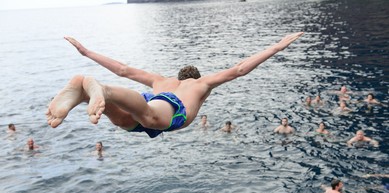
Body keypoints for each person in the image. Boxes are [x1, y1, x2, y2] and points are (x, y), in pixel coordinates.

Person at [46, 32, 304, 138]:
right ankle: (103, 89)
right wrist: (277, 46)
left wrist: (87, 52)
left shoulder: (161, 80)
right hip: (169, 110)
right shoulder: (202, 84)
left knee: (123, 121)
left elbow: (123, 70)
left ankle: (83, 93)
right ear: (195, 77)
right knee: (147, 117)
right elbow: (239, 70)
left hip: (150, 100)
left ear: (178, 76)